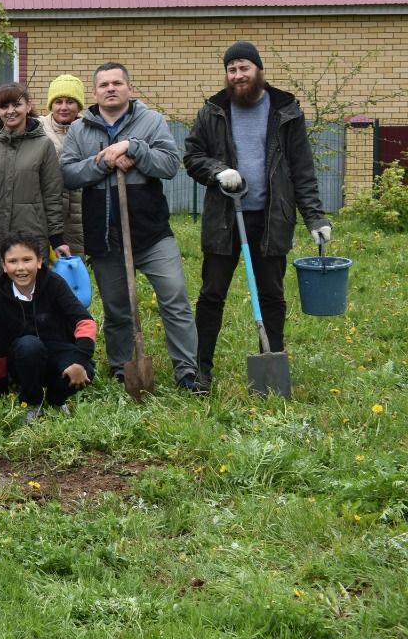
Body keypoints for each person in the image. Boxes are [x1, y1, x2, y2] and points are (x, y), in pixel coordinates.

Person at [184, 41, 332, 386]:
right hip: (224, 218)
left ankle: (272, 365)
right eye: (232, 70)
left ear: (258, 70)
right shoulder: (213, 109)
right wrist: (218, 170)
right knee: (211, 294)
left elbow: (302, 169)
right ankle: (201, 369)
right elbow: (192, 156)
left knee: (271, 294)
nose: (238, 75)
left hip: (271, 218)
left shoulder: (286, 110)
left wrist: (315, 217)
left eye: (244, 68)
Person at [61, 62, 205, 392]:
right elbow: (68, 173)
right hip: (105, 238)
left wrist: (133, 148)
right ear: (94, 93)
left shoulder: (151, 121)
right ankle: (121, 368)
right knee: (117, 310)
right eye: (103, 85)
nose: (110, 89)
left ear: (129, 88)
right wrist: (105, 161)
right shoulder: (82, 130)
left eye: (117, 83)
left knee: (175, 299)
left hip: (152, 234)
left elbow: (169, 164)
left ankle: (187, 372)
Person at [0, 67, 87, 255]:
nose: (64, 107)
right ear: (50, 104)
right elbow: (0, 102)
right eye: (58, 101)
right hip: (33, 212)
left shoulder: (88, 132)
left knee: (67, 271)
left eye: (70, 102)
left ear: (79, 105)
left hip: (74, 214)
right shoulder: (39, 127)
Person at [0, 82, 66, 304]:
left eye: (16, 104)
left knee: (32, 298)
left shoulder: (43, 146)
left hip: (30, 233)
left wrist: (57, 239)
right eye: (4, 106)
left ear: (28, 106)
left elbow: (52, 196)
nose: (11, 111)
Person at [0, 233, 95, 420]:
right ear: (4, 266)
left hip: (57, 354)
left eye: (27, 260)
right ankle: (32, 401)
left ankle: (56, 399)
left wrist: (80, 361)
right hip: (23, 361)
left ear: (39, 261)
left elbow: (84, 321)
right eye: (13, 261)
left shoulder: (55, 284)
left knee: (87, 369)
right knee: (29, 345)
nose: (20, 268)